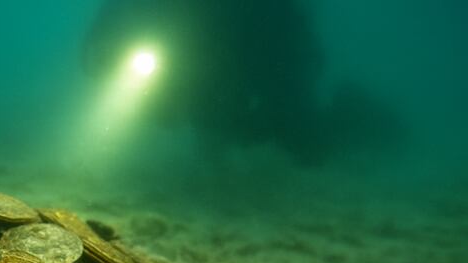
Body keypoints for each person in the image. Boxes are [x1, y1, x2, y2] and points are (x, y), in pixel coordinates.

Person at [82, 0, 401, 165]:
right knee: (185, 110)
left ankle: (357, 115)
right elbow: (100, 46)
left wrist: (276, 95)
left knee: (308, 148)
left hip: (262, 71)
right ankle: (217, 129)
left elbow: (290, 43)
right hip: (199, 78)